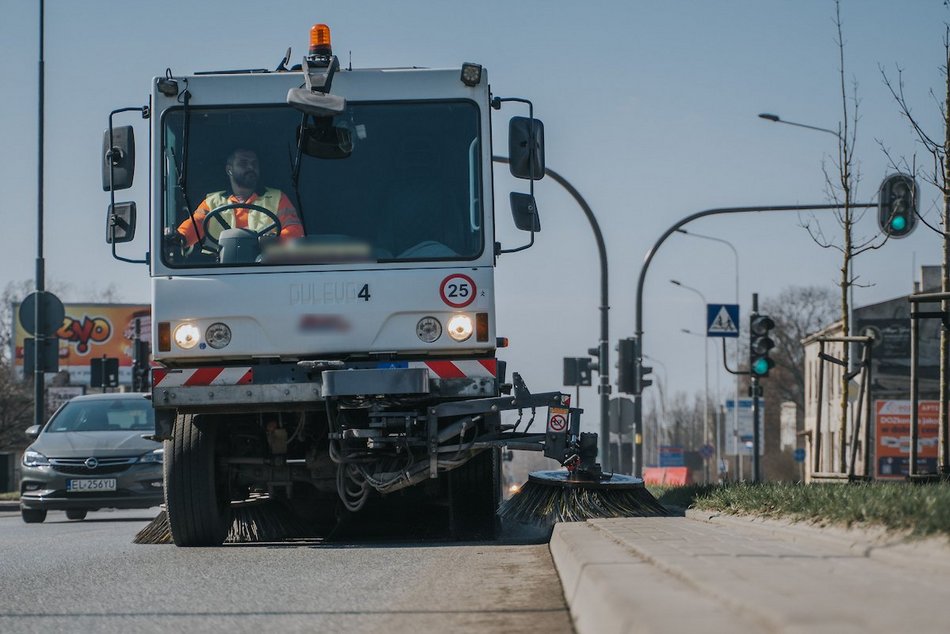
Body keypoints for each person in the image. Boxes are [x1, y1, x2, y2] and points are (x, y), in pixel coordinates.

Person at [177, 148, 304, 248]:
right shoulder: (212, 202)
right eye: (243, 163)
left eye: (254, 163)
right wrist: (180, 237)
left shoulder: (278, 198)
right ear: (229, 170)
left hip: (266, 267)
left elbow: (294, 229)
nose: (251, 167)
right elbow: (195, 224)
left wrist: (276, 241)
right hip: (218, 269)